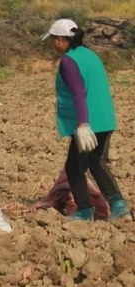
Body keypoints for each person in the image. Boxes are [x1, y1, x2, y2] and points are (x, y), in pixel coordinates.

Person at [43, 18, 130, 222]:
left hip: (88, 122)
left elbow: (79, 92)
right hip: (105, 118)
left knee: (74, 167)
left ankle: (84, 210)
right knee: (96, 162)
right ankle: (118, 204)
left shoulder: (69, 61)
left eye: (53, 39)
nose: (52, 44)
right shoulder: (89, 55)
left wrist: (82, 125)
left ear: (61, 40)